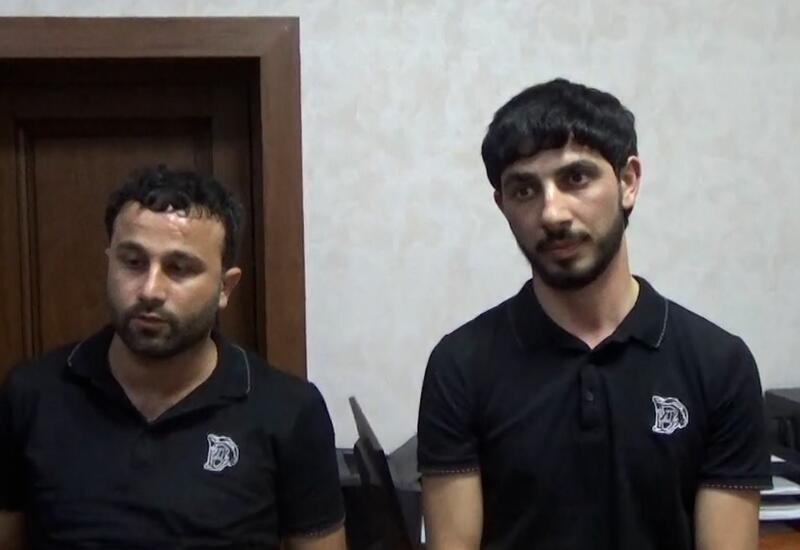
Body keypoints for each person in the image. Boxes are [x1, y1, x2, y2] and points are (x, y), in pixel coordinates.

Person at [417, 79, 771, 550]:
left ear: (628, 182)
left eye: (576, 178)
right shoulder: (460, 365)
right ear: (502, 206)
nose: (552, 213)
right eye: (524, 189)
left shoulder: (719, 364)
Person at [0, 167, 346, 549]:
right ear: (109, 263)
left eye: (179, 268)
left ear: (225, 287)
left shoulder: (288, 411)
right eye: (133, 262)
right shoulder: (32, 396)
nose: (150, 290)